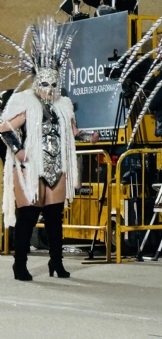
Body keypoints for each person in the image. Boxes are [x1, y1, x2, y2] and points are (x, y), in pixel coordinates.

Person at [0, 18, 98, 281]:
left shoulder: (64, 105)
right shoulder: (26, 103)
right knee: (28, 217)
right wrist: (19, 152)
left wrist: (90, 136)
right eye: (45, 84)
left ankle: (57, 261)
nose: (50, 89)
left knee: (55, 218)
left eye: (54, 84)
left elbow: (74, 133)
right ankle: (19, 264)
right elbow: (5, 128)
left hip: (57, 166)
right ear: (36, 83)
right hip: (31, 167)